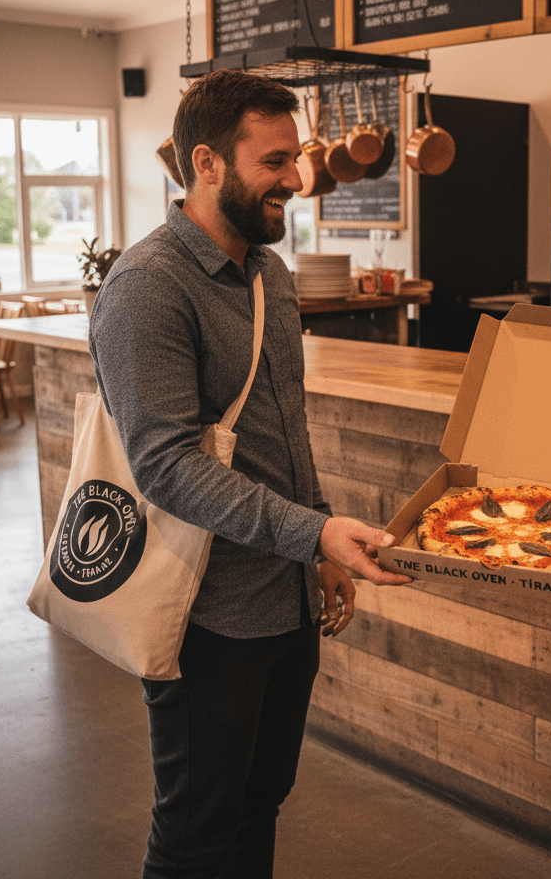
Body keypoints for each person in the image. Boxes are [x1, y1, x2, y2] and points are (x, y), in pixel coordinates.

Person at [89, 69, 412, 879]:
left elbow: (278, 432)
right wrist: (316, 533)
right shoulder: (146, 287)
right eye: (275, 162)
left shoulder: (270, 274)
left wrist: (318, 544)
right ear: (207, 163)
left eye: (297, 156)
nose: (297, 179)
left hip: (285, 601)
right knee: (197, 831)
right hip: (206, 615)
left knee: (261, 801)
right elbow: (165, 466)